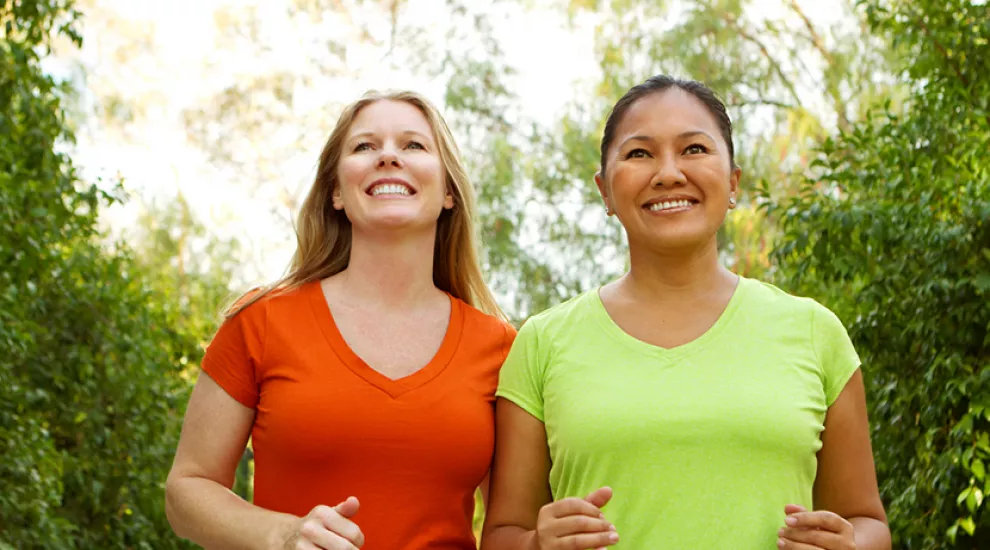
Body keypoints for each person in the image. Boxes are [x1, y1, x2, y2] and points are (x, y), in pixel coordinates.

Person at [481, 75, 891, 550]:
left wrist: (850, 545)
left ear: (734, 181)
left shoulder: (815, 331)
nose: (669, 173)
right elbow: (501, 535)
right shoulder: (541, 342)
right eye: (639, 153)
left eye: (694, 149)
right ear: (604, 192)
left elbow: (867, 522)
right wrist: (537, 543)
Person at [165, 90, 515, 550]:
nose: (388, 156)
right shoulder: (260, 321)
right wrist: (281, 533)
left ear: (449, 191)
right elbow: (186, 490)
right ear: (335, 192)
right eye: (364, 146)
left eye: (413, 145)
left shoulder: (501, 346)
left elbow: (511, 529)